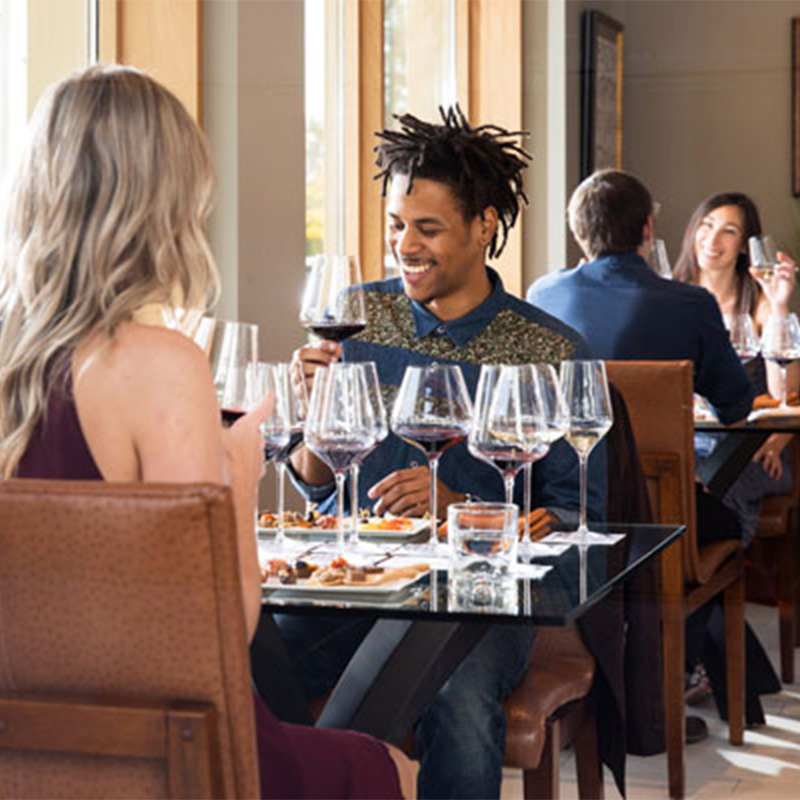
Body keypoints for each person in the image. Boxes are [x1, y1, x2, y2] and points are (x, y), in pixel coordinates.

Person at [0, 65, 413, 800]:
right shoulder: (160, 365)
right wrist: (236, 477)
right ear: (164, 200)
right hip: (161, 746)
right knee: (387, 768)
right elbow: (221, 631)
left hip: (29, 740)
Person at [280, 107, 603, 799]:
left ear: (485, 225)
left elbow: (576, 521)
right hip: (358, 579)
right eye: (397, 225)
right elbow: (317, 489)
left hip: (481, 598)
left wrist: (462, 510)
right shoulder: (360, 315)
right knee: (253, 651)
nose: (405, 245)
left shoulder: (549, 350)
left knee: (455, 699)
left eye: (427, 229)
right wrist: (313, 415)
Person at [526, 169, 779, 727]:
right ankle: (667, 684)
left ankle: (655, 681)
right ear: (647, 228)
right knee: (727, 527)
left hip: (562, 512)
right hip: (661, 522)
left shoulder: (542, 295)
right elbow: (737, 409)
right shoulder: (689, 304)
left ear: (577, 230)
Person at [673, 191, 798, 546]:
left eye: (728, 231)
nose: (712, 239)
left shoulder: (760, 306)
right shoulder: (672, 299)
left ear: (744, 245)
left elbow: (783, 395)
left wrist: (779, 305)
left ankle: (707, 585)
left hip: (749, 448)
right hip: (687, 443)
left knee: (709, 492)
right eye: (707, 225)